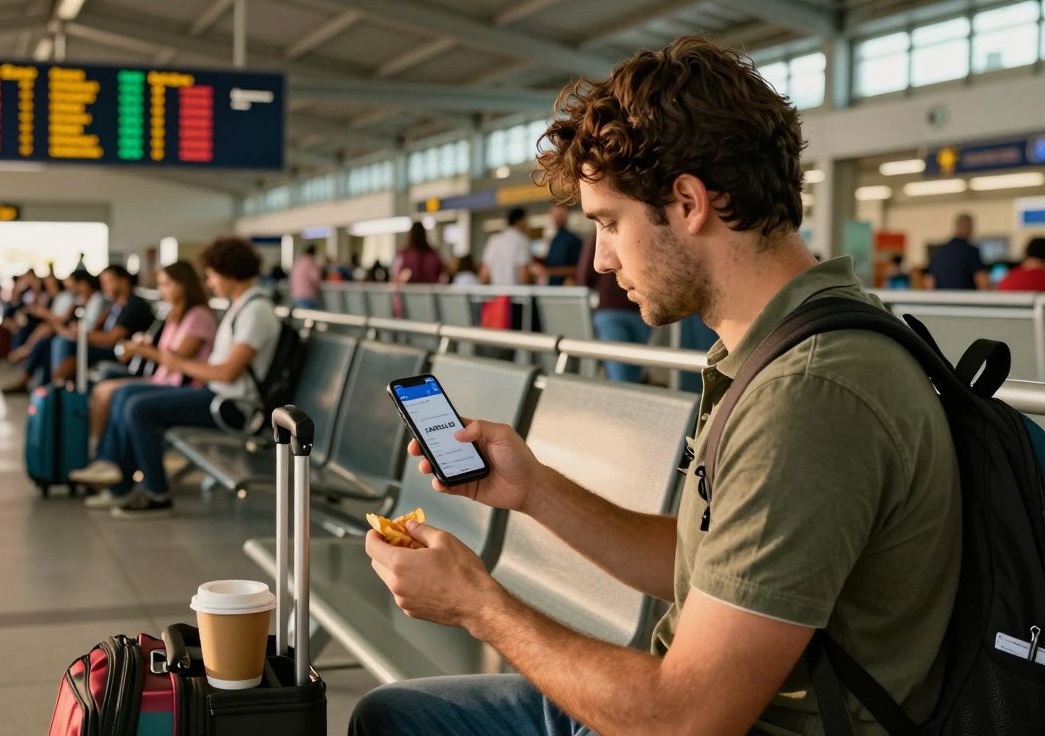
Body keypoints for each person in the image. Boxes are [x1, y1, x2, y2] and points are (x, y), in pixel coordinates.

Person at [350, 36, 959, 736]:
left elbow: (685, 719)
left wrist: (477, 605)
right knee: (392, 715)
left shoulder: (811, 395)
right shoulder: (788, 345)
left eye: (610, 223)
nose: (603, 262)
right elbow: (710, 568)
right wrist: (535, 489)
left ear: (689, 202)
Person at [72, 237, 280, 518]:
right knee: (125, 395)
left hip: (232, 407)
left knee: (138, 407)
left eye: (211, 275)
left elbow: (228, 371)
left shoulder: (255, 311)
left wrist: (176, 362)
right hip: (217, 395)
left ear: (228, 272)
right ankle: (117, 480)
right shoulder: (242, 306)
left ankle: (156, 493)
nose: (209, 283)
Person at [69, 261, 217, 483]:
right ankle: (106, 460)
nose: (162, 291)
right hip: (164, 379)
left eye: (166, 284)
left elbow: (177, 362)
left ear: (183, 285)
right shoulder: (176, 315)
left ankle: (113, 464)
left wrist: (142, 349)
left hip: (181, 385)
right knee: (112, 391)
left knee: (124, 398)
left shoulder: (198, 317)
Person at [49, 264, 154, 386]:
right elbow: (96, 326)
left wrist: (81, 334)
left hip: (121, 352)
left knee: (66, 344)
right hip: (109, 348)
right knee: (63, 345)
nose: (104, 287)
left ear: (124, 281)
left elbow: (112, 339)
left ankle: (53, 392)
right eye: (102, 283)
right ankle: (56, 390)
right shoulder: (115, 304)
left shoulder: (133, 305)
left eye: (109, 281)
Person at [1, 272, 104, 392]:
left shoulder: (94, 300)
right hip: (72, 334)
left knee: (55, 340)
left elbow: (85, 328)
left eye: (73, 285)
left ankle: (47, 388)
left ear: (84, 284)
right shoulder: (78, 300)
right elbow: (65, 320)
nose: (71, 288)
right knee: (46, 342)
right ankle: (44, 387)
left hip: (80, 337)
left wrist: (52, 320)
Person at [576, 230, 649, 381]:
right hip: (643, 311)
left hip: (610, 311)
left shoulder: (600, 235)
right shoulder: (640, 230)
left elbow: (585, 277)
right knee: (635, 372)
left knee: (618, 373)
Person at [925, 213, 988, 290]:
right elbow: (982, 281)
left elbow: (929, 283)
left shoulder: (939, 252)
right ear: (969, 227)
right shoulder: (971, 251)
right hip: (966, 299)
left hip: (942, 300)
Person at [480, 208, 533, 286]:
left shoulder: (494, 240)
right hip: (515, 295)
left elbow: (484, 275)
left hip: (497, 295)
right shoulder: (522, 241)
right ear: (521, 221)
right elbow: (524, 274)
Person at [537, 203, 583, 285]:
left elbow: (578, 269)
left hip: (565, 290)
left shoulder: (573, 240)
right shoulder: (554, 238)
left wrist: (549, 271)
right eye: (554, 214)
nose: (556, 217)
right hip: (552, 287)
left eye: (560, 214)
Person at [289, 245, 323, 310]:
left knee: (302, 317)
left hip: (296, 296)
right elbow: (316, 278)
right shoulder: (310, 263)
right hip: (308, 296)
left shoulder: (298, 263)